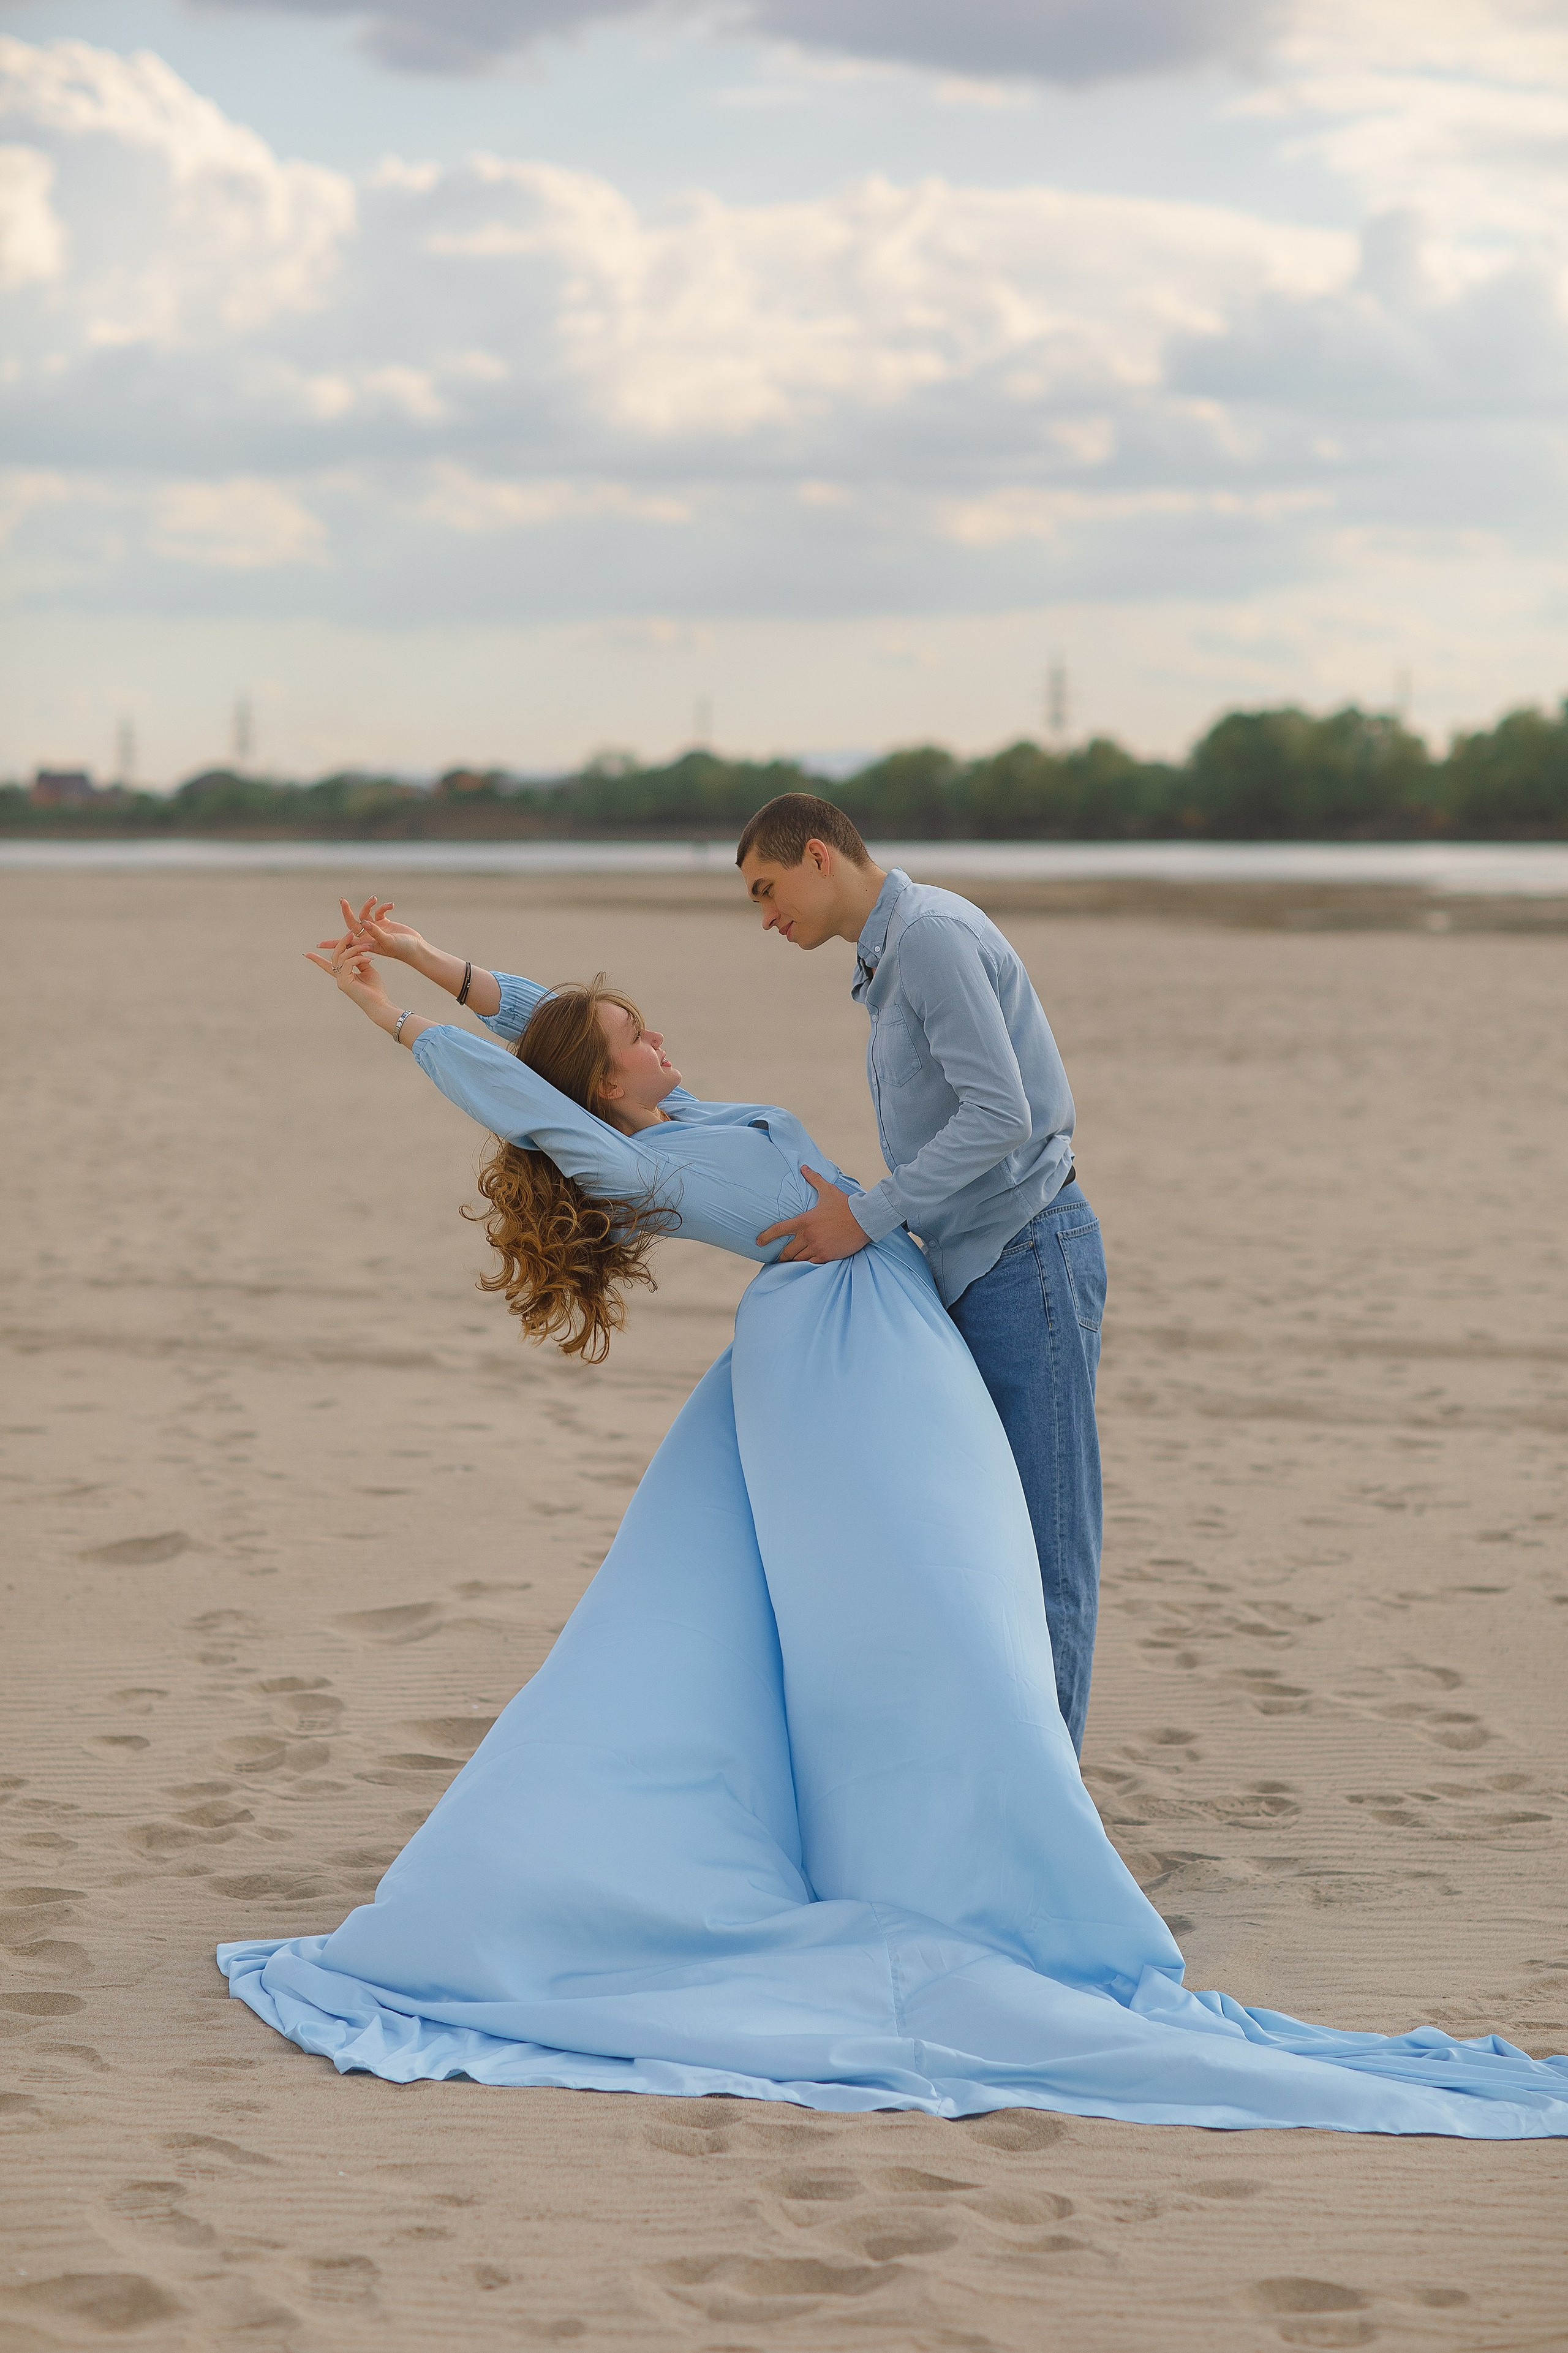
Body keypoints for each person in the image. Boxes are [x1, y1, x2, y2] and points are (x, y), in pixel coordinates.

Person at [214, 902, 1568, 2138]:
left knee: (951, 1599)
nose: (660, 1038)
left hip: (880, 1341)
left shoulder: (674, 1119)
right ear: (602, 1087)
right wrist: (388, 1017)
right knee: (934, 1608)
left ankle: (991, 1821)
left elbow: (537, 1026)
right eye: (635, 1039)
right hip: (847, 1372)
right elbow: (522, 1082)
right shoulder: (642, 1167)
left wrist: (421, 954)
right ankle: (992, 1840)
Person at [737, 796, 1102, 1753]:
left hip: (1028, 1256)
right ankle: (1009, 1781)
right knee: (985, 1542)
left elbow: (1001, 1117)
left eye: (767, 890)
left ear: (819, 857)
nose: (766, 917)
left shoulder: (931, 939)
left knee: (1045, 1551)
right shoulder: (889, 958)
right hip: (976, 1269)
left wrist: (865, 1214)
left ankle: (1050, 1820)